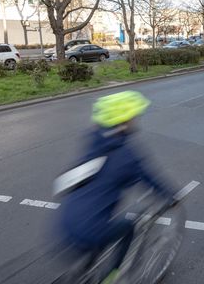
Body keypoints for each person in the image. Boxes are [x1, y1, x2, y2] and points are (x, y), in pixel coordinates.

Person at [56, 91, 176, 283]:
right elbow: (150, 179)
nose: (136, 120)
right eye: (133, 117)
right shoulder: (125, 155)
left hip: (63, 225)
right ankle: (112, 276)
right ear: (122, 122)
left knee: (95, 231)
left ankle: (85, 270)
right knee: (128, 228)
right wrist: (171, 197)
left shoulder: (94, 139)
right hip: (89, 230)